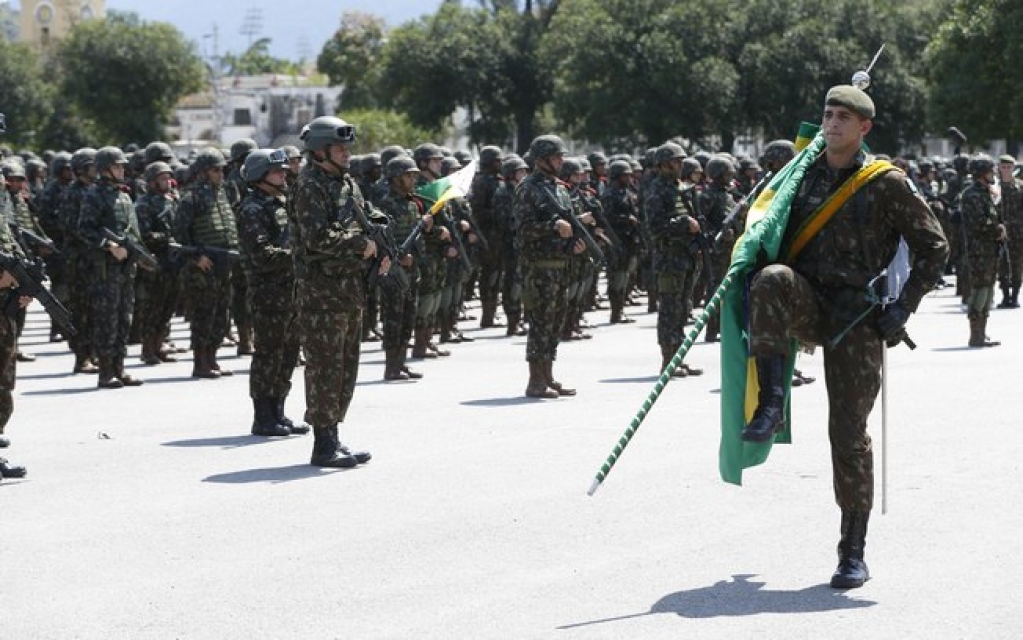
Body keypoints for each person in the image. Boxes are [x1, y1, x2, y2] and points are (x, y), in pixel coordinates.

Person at [738, 85, 948, 588]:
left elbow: (935, 247)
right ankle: (772, 402)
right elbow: (769, 225)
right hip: (809, 300)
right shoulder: (800, 176)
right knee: (771, 281)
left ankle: (852, 550)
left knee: (848, 434)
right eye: (828, 115)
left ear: (863, 128)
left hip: (858, 318)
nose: (831, 124)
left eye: (843, 117)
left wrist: (903, 306)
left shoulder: (886, 183)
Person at [289, 115, 374, 468]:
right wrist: (360, 245)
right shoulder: (310, 185)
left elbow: (367, 215)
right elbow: (317, 238)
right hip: (321, 294)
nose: (347, 154)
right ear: (321, 151)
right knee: (325, 367)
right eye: (340, 148)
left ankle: (334, 435)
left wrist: (379, 237)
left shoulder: (345, 184)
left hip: (349, 289)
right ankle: (322, 444)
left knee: (345, 367)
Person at [237, 149, 310, 437]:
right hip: (269, 292)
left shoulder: (285, 202)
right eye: (276, 171)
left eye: (283, 170)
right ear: (259, 176)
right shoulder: (252, 208)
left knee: (289, 352)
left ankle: (279, 410)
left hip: (292, 289)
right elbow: (261, 254)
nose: (284, 173)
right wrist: (298, 256)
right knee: (269, 353)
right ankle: (263, 416)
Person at [514, 134, 585, 399]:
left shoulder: (560, 188)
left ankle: (548, 376)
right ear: (541, 159)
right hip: (538, 269)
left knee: (555, 323)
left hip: (560, 266)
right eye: (556, 156)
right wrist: (553, 226)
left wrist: (573, 245)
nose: (560, 161)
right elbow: (522, 230)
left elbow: (568, 226)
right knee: (540, 323)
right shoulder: (527, 188)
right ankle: (535, 380)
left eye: (561, 156)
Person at [76, 146, 146, 389]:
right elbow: (84, 229)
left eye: (122, 166)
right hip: (106, 269)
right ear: (105, 169)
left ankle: (120, 367)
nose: (122, 169)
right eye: (117, 166)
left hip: (126, 268)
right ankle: (105, 372)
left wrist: (138, 253)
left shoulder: (125, 196)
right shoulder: (94, 195)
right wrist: (109, 245)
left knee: (124, 318)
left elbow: (133, 231)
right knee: (107, 320)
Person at [175, 148, 239, 379]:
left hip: (224, 263)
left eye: (222, 169)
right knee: (204, 314)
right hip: (203, 265)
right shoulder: (191, 197)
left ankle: (212, 358)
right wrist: (195, 258)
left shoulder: (223, 193)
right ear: (203, 172)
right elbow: (180, 234)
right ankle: (200, 362)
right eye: (215, 170)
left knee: (221, 314)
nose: (221, 173)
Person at [644, 142, 704, 377]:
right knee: (669, 310)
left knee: (682, 310)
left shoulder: (681, 189)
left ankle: (679, 357)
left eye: (681, 161)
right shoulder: (656, 190)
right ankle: (668, 360)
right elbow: (656, 227)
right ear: (663, 165)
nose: (680, 165)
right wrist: (683, 224)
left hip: (686, 258)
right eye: (675, 162)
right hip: (669, 260)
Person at [376, 155, 429, 380]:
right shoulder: (385, 204)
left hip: (411, 269)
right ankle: (391, 366)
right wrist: (398, 256)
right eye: (408, 175)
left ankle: (401, 362)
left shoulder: (411, 203)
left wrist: (428, 227)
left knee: (408, 316)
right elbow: (381, 237)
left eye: (414, 175)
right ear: (396, 178)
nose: (412, 179)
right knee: (393, 318)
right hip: (393, 271)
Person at [133, 161, 181, 365]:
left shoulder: (171, 201)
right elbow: (144, 234)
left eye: (168, 177)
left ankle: (159, 344)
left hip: (173, 261)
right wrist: (167, 237)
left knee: (168, 306)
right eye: (162, 178)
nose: (167, 182)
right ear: (152, 182)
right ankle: (148, 349)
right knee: (153, 307)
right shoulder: (143, 204)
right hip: (155, 262)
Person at [959, 154, 1004, 346]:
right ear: (981, 174)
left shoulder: (985, 192)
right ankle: (975, 335)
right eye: (990, 171)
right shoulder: (972, 195)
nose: (993, 174)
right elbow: (978, 223)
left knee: (988, 289)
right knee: (980, 290)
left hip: (989, 248)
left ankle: (981, 332)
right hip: (979, 250)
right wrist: (998, 228)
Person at [996, 155, 1022, 308]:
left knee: (1017, 265)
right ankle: (1005, 296)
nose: (1006, 170)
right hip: (999, 232)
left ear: (1013, 168)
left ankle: (1015, 296)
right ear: (999, 168)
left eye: (1009, 167)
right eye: (1003, 167)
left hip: (1018, 233)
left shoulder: (1020, 187)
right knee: (1002, 265)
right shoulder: (995, 187)